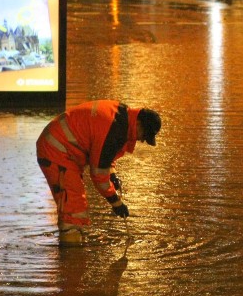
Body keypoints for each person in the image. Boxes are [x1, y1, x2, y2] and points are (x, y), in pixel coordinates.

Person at [36, 100, 162, 246]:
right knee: (73, 208)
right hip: (57, 151)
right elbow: (98, 175)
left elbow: (105, 155)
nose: (142, 140)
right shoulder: (115, 131)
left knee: (73, 204)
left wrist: (112, 173)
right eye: (144, 135)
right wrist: (116, 202)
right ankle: (72, 258)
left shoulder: (122, 116)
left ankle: (72, 249)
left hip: (61, 147)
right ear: (139, 124)